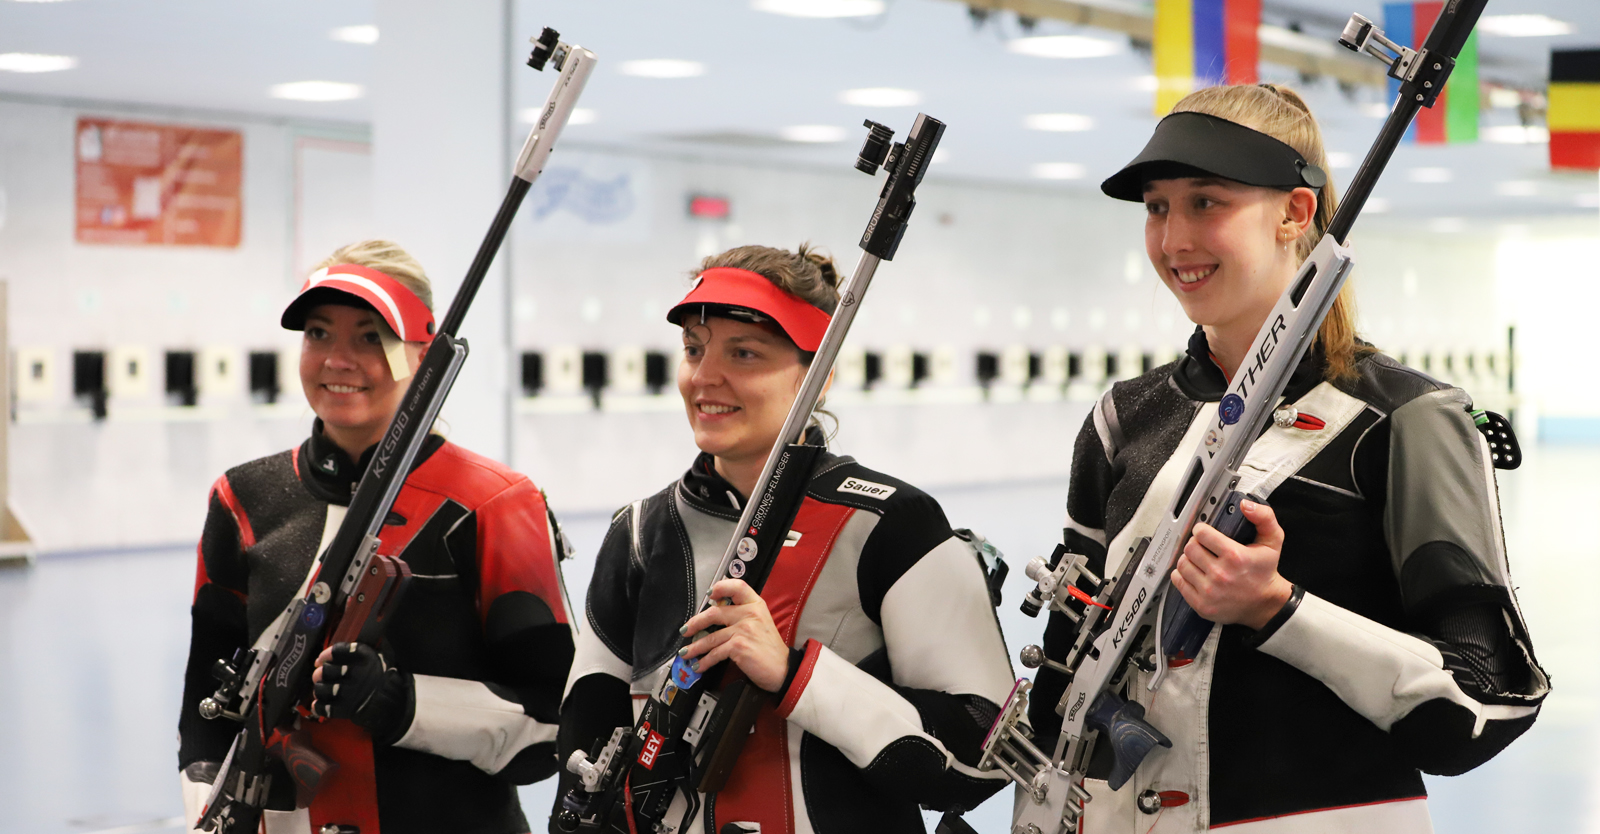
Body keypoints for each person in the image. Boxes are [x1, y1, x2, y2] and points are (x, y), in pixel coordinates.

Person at [1026, 84, 1550, 833]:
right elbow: (1061, 677)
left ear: (1295, 214)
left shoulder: (1405, 419)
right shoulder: (1123, 418)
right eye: (1157, 206)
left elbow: (1487, 703)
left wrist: (1279, 611)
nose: (1174, 240)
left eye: (1206, 202)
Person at [554, 245, 1016, 834]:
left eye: (744, 354)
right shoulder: (641, 534)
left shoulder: (895, 524)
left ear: (815, 379)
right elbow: (583, 752)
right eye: (694, 350)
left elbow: (982, 757)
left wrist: (797, 673)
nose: (704, 377)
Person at [178, 240, 576, 834]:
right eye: (318, 333)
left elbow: (551, 725)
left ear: (422, 354)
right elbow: (205, 710)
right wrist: (207, 812)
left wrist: (404, 704)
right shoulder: (243, 499)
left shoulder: (496, 502)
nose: (338, 359)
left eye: (370, 337)